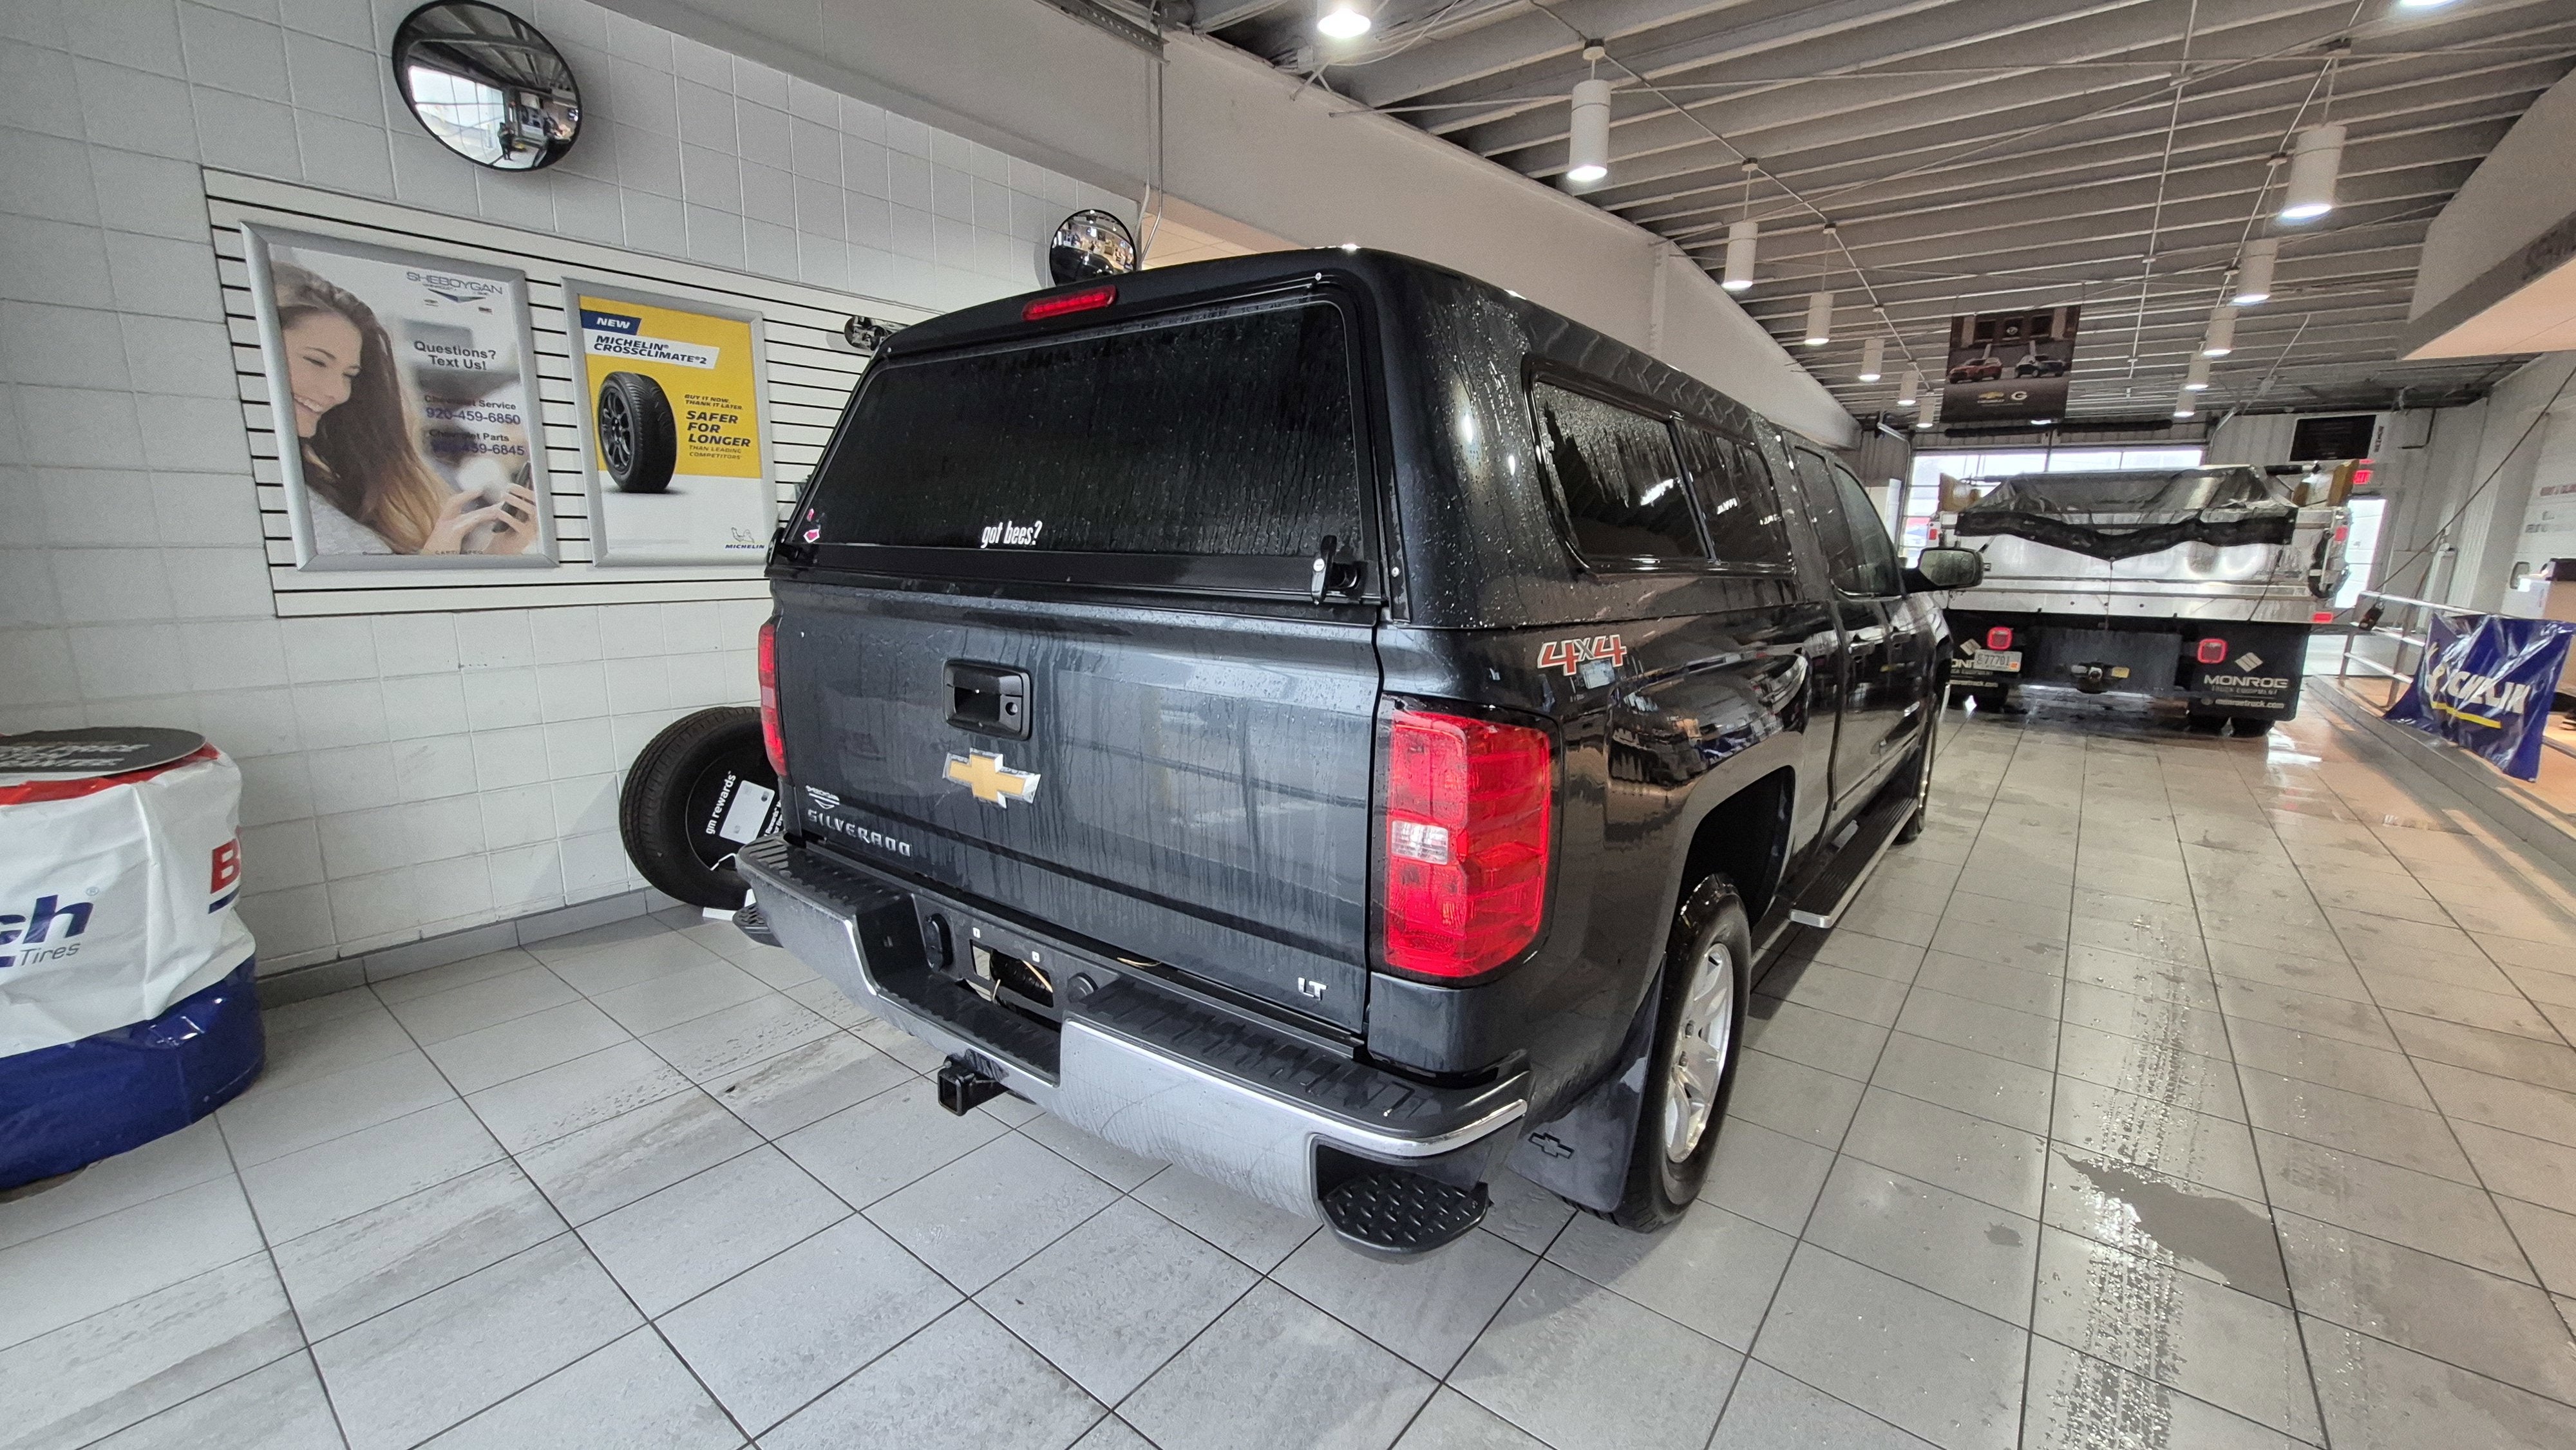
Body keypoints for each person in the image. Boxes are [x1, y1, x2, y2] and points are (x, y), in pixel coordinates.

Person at [271, 262, 538, 556]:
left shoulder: (325, 485)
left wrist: (497, 553)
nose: (337, 392)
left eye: (349, 375)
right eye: (316, 361)